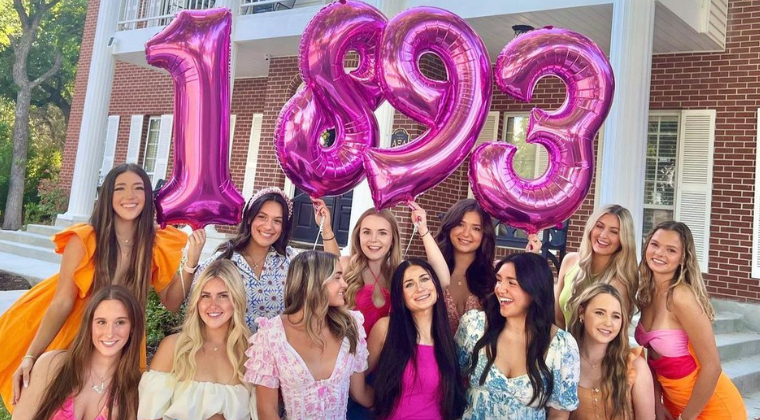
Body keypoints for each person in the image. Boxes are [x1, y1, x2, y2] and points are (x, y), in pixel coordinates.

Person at [0, 163, 193, 411]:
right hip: (77, 327)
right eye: (120, 188)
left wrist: (191, 263)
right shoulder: (86, 239)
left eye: (138, 188)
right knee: (57, 401)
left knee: (109, 405)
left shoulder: (154, 244)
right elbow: (62, 302)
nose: (130, 196)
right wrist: (31, 356)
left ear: (148, 196)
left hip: (120, 335)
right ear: (108, 196)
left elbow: (172, 301)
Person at [187, 187, 337, 332]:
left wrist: (326, 230)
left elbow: (334, 271)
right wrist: (191, 262)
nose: (268, 226)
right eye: (262, 217)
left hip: (279, 348)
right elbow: (189, 303)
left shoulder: (291, 260)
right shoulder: (223, 261)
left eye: (277, 221)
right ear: (249, 218)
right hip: (235, 348)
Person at [635, 221, 745, 420]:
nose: (659, 253)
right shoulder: (647, 294)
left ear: (683, 258)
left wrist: (687, 418)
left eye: (671, 250)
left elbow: (713, 367)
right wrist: (657, 402)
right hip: (675, 406)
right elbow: (653, 356)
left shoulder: (681, 297)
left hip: (711, 409)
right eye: (655, 244)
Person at [245, 251, 372, 419]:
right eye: (337, 277)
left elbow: (360, 393)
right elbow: (267, 410)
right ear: (315, 281)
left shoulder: (350, 327)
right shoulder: (271, 335)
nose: (345, 284)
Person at [456, 252, 580, 419]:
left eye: (512, 283)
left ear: (534, 290)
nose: (500, 289)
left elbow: (559, 413)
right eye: (499, 280)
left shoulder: (562, 345)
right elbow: (450, 380)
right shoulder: (474, 326)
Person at [139, 259, 255, 420]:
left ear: (237, 300)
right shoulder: (174, 347)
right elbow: (149, 415)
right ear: (197, 301)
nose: (213, 305)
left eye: (223, 296)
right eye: (205, 296)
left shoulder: (252, 353)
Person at [12, 286, 144, 420]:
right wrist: (29, 357)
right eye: (101, 322)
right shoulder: (51, 364)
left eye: (120, 322)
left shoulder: (132, 392)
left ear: (132, 327)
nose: (110, 333)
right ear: (89, 325)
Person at [367, 259, 466, 420]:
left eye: (424, 279)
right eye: (409, 284)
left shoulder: (446, 338)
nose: (420, 288)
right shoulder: (386, 329)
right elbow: (356, 377)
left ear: (436, 287)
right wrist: (376, 403)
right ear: (400, 296)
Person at [342, 202, 449, 337]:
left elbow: (442, 280)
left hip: (388, 349)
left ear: (393, 239)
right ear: (358, 236)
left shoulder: (400, 271)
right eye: (366, 232)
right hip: (350, 349)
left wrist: (423, 229)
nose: (373, 239)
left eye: (382, 233)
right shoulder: (346, 265)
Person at [529, 204, 638, 329]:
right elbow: (557, 319)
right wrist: (532, 259)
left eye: (614, 232)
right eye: (599, 226)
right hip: (562, 340)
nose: (603, 235)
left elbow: (612, 332)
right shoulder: (570, 261)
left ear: (623, 239)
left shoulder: (620, 284)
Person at [566, 283, 654, 419]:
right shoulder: (564, 361)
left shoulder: (636, 366)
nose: (608, 323)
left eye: (616, 316)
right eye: (599, 313)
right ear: (581, 313)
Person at [435, 199, 496, 333]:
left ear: (485, 234)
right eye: (460, 224)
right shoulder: (430, 273)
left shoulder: (496, 274)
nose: (466, 233)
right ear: (449, 226)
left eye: (476, 228)